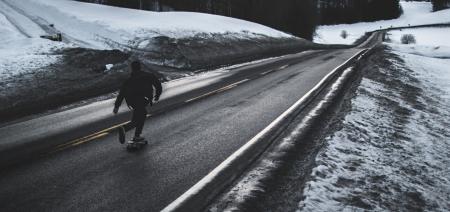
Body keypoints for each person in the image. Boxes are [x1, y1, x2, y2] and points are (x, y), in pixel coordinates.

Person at [113, 60, 162, 144]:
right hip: (143, 99)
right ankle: (126, 129)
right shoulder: (148, 76)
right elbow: (158, 85)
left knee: (139, 115)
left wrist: (116, 106)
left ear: (132, 69)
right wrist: (157, 95)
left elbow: (121, 94)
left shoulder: (129, 80)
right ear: (140, 67)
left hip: (132, 102)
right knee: (142, 115)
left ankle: (136, 136)